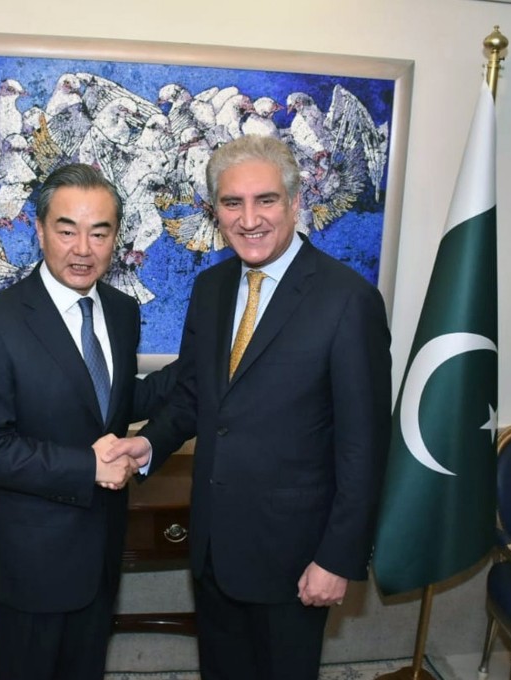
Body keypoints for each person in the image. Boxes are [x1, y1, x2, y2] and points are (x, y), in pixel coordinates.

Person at [105, 134, 393, 679]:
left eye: (266, 200)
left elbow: (365, 445)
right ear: (215, 212)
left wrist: (337, 557)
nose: (249, 218)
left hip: (297, 556)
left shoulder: (348, 300)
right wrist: (149, 444)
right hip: (214, 546)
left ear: (294, 202)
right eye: (232, 203)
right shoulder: (212, 287)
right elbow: (197, 394)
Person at [0, 163, 174, 680]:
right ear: (39, 229)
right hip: (29, 560)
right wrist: (86, 467)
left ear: (116, 237)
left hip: (101, 551)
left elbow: (112, 403)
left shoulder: (121, 311)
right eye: (66, 229)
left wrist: (204, 365)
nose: (83, 249)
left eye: (99, 232)